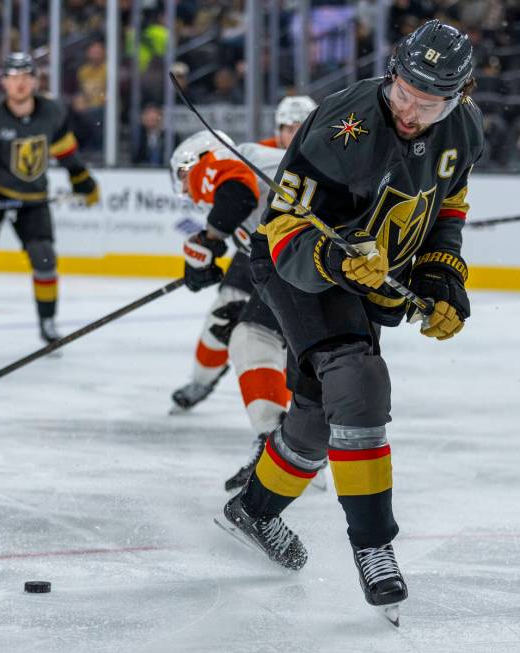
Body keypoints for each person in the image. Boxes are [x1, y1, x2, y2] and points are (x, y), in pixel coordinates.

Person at [218, 20, 483, 624]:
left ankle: (253, 511)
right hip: (297, 266)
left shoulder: (463, 130)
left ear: (461, 94)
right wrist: (332, 257)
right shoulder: (345, 122)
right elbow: (283, 225)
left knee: (314, 418)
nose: (411, 109)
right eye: (404, 92)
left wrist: (442, 272)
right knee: (359, 383)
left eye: (430, 100)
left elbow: (449, 205)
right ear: (393, 73)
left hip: (370, 272)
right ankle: (375, 547)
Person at [0, 52, 99, 355]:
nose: (20, 83)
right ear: (4, 83)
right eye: (13, 77)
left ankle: (48, 323)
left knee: (45, 260)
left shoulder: (52, 112)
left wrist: (82, 179)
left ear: (36, 81)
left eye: (26, 76)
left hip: (33, 198)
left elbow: (66, 151)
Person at [170, 96, 317, 415]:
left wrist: (208, 240)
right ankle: (202, 381)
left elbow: (237, 196)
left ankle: (280, 428)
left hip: (290, 258)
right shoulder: (261, 155)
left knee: (255, 337)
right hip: (266, 254)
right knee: (223, 318)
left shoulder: (236, 158)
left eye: (184, 179)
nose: (187, 190)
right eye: (289, 127)